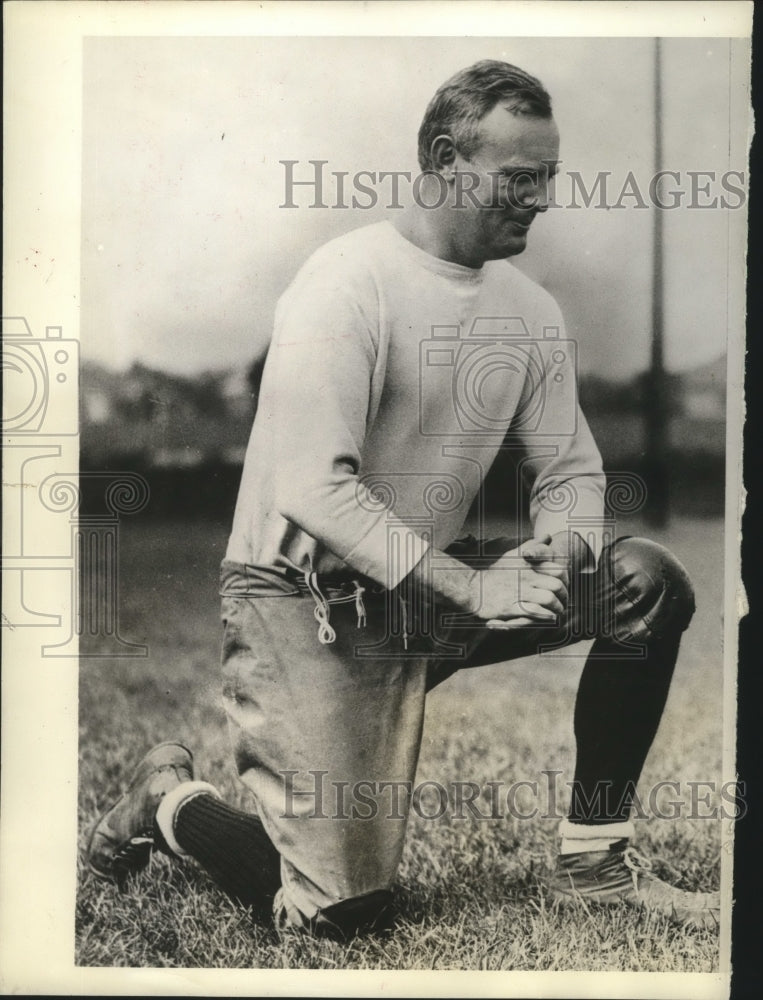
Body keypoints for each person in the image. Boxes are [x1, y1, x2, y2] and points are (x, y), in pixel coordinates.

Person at [87, 60, 719, 938]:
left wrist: (561, 551)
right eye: (519, 178)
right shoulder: (345, 282)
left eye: (548, 177)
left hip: (425, 590)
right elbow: (314, 485)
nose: (539, 197)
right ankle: (168, 799)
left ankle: (595, 863)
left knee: (644, 581)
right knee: (337, 912)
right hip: (301, 598)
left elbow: (571, 471)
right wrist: (476, 588)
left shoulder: (529, 311)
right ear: (444, 158)